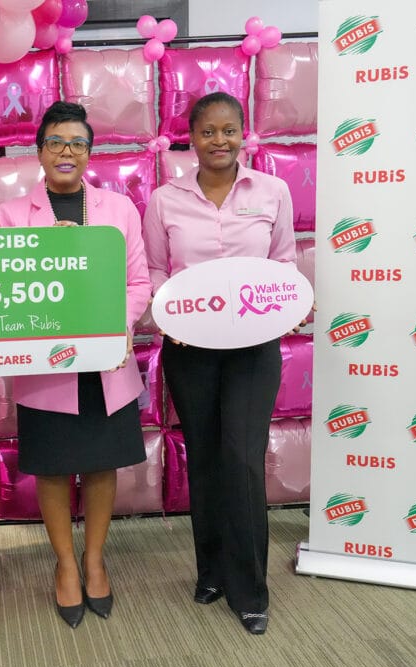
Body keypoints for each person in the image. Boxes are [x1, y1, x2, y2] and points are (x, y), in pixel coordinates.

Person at [142, 91, 296, 636]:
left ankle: (250, 589)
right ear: (191, 137)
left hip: (253, 351)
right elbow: (156, 271)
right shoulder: (165, 199)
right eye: (208, 131)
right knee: (205, 459)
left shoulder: (272, 191)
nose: (219, 140)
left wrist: (288, 305)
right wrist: (168, 313)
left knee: (243, 459)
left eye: (229, 130)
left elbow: (283, 262)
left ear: (243, 134)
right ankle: (210, 571)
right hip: (191, 351)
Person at [0, 101, 151, 629]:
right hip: (48, 364)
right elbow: (6, 291)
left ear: (90, 153)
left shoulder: (119, 209)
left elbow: (138, 283)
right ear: (39, 151)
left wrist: (116, 328)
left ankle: (95, 559)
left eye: (78, 143)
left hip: (106, 362)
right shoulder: (11, 215)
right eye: (56, 142)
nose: (67, 151)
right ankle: (65, 564)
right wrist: (43, 253)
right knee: (55, 466)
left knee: (103, 462)